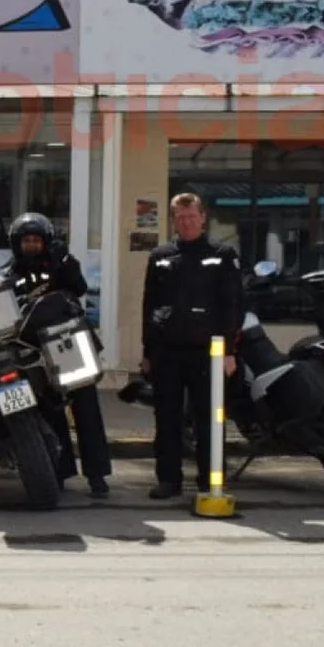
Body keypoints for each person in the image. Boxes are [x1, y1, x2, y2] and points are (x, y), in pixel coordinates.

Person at [141, 193, 244, 499]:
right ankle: (168, 480)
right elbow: (150, 306)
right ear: (174, 220)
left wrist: (228, 352)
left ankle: (211, 479)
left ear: (202, 218)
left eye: (191, 216)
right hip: (167, 352)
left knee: (209, 419)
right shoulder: (160, 255)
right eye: (180, 217)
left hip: (208, 353)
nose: (186, 222)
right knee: (167, 418)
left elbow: (232, 306)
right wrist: (147, 353)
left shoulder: (223, 254)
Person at [3, 212, 112, 498]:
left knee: (87, 410)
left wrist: (64, 263)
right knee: (51, 411)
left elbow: (79, 288)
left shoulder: (62, 264)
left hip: (70, 345)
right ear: (17, 243)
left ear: (46, 241)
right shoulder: (8, 275)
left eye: (36, 240)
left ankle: (97, 476)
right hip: (36, 352)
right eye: (26, 240)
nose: (31, 245)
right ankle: (58, 473)